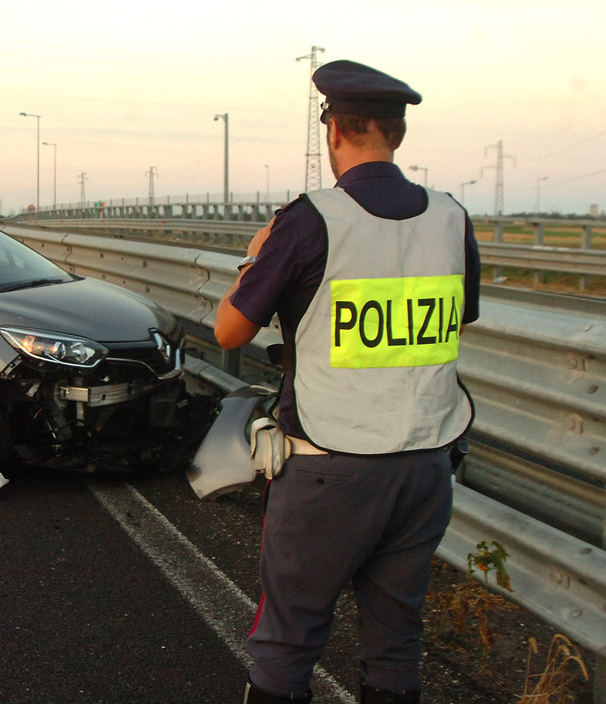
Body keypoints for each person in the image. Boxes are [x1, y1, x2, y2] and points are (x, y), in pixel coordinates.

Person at [214, 60, 481, 704]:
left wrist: (256, 255)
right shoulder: (452, 217)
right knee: (395, 642)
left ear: (334, 130)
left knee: (288, 638)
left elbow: (229, 331)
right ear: (398, 133)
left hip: (328, 467)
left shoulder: (311, 218)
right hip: (425, 466)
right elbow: (455, 318)